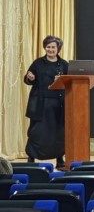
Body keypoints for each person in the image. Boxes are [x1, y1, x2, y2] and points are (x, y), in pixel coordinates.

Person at [24, 35, 68, 169]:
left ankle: (60, 159)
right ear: (45, 48)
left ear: (58, 49)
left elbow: (70, 82)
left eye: (53, 47)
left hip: (58, 104)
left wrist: (61, 80)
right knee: (36, 132)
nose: (50, 49)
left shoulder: (64, 64)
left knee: (58, 133)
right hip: (40, 104)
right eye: (48, 47)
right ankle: (31, 158)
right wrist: (30, 77)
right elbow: (28, 79)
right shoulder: (37, 63)